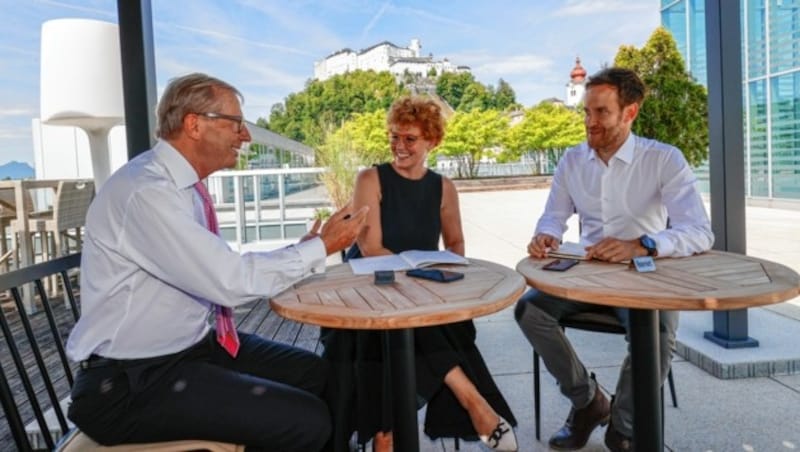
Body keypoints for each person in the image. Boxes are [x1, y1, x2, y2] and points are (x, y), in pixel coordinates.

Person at [65, 73, 367, 452]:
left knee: (327, 376)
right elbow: (228, 280)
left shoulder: (184, 188)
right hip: (131, 383)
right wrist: (320, 247)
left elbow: (220, 266)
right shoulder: (146, 192)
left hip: (192, 349)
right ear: (194, 124)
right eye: (236, 124)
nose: (246, 137)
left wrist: (306, 249)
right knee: (306, 421)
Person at [514, 67, 713, 452]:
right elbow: (554, 214)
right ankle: (588, 401)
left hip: (645, 275)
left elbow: (700, 232)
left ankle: (623, 427)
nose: (590, 122)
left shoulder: (664, 160)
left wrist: (644, 244)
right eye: (587, 112)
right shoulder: (572, 161)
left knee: (655, 332)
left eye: (601, 112)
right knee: (528, 311)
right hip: (587, 275)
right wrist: (546, 234)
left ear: (630, 113)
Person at [322, 96, 518, 452]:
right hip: (368, 286)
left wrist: (442, 269)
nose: (399, 146)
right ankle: (473, 401)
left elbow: (455, 242)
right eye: (394, 137)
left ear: (433, 141)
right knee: (403, 328)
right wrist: (419, 282)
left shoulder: (444, 187)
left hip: (419, 284)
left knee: (417, 325)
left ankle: (387, 435)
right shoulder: (371, 178)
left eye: (410, 139)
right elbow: (371, 249)